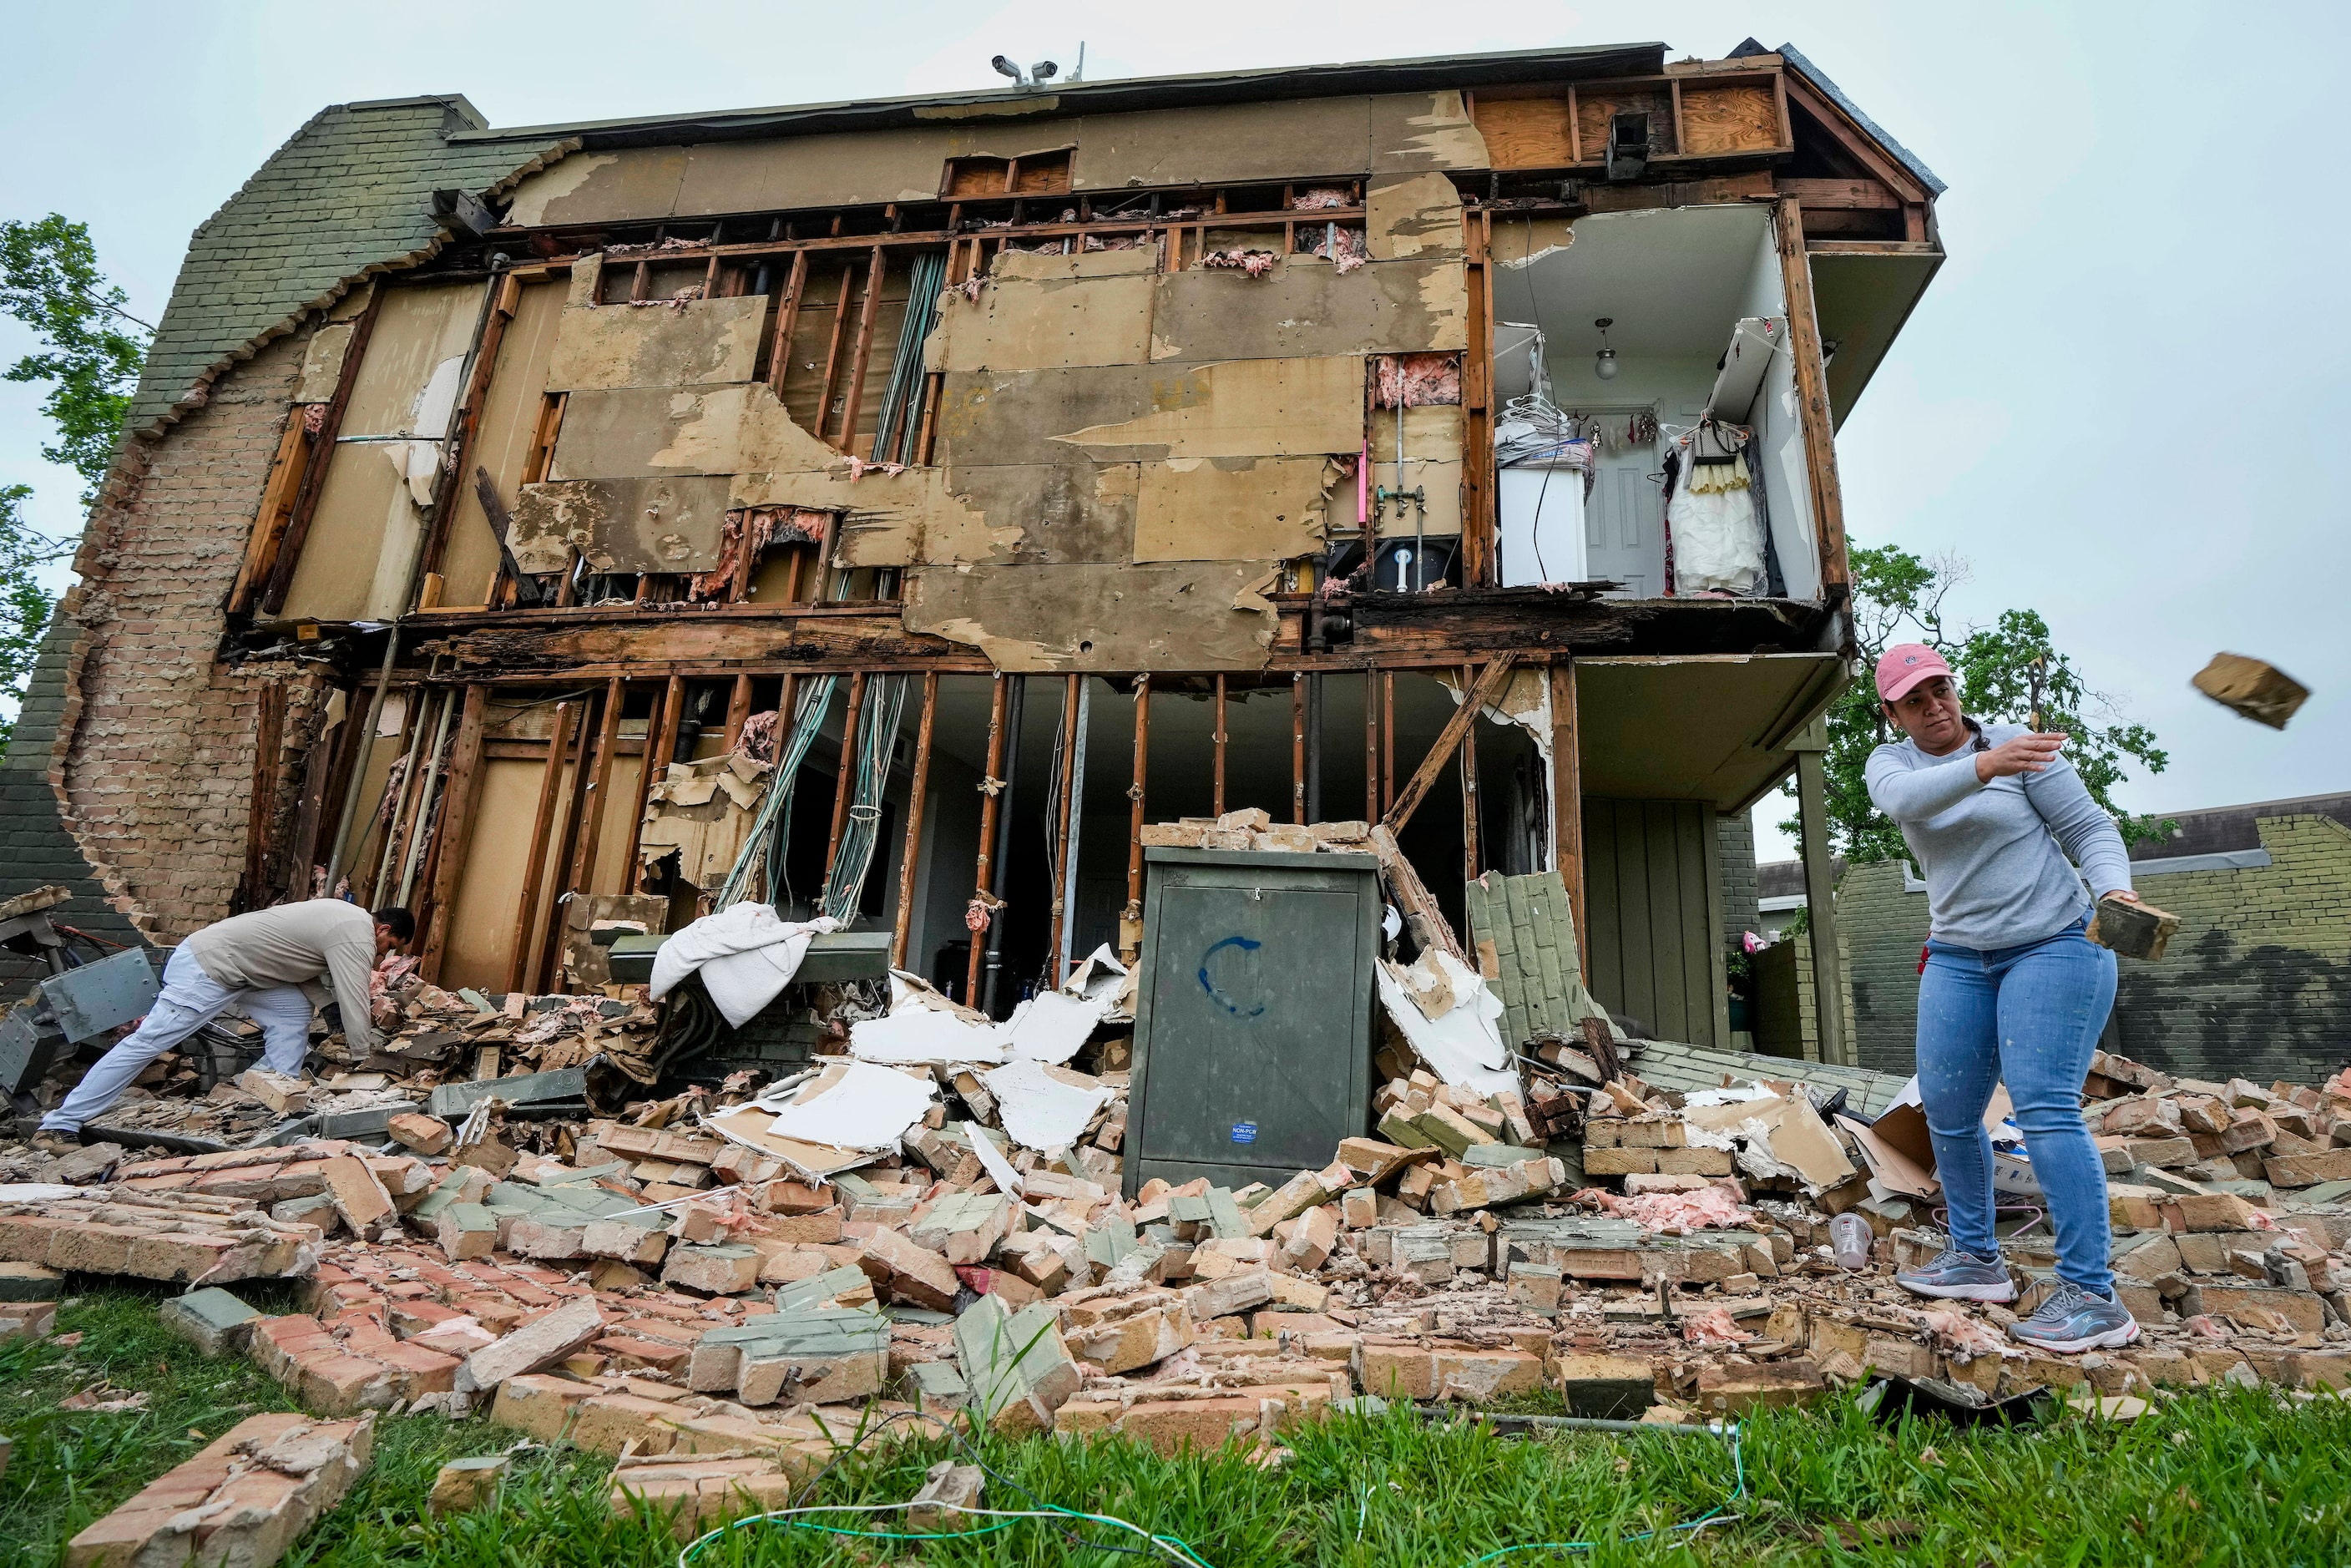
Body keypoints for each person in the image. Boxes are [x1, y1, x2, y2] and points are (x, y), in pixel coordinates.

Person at [1866, 643, 2143, 1354]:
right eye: (1914, 700)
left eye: (1941, 690)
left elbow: (2089, 829)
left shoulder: (2021, 752)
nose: (1934, 707)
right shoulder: (1893, 766)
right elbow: (1904, 802)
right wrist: (1985, 766)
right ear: (1892, 712)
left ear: (1953, 690)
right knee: (1949, 1110)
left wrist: (2113, 885)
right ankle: (1977, 1258)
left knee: (2045, 1108)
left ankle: (2092, 1296)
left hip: (2055, 944)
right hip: (1960, 955)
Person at [38, 902, 413, 1140]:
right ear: (382, 930)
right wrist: (364, 1052)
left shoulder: (341, 917)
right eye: (390, 946)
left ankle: (274, 1100)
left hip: (243, 972)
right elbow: (352, 991)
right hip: (210, 968)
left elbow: (303, 968)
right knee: (148, 1043)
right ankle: (61, 1122)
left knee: (292, 1014)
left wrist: (331, 1013)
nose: (384, 955)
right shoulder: (357, 932)